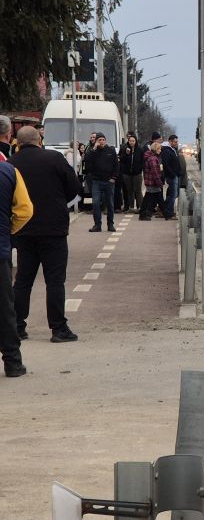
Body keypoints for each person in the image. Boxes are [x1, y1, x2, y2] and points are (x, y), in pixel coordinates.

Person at [10, 126, 81, 343]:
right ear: (39, 140)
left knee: (23, 279)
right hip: (54, 228)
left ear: (18, 143)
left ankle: (17, 326)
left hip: (23, 229)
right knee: (55, 280)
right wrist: (58, 201)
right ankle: (58, 329)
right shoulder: (55, 158)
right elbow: (74, 187)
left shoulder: (11, 164)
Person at [0, 148, 32, 375]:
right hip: (0, 251)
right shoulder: (8, 171)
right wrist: (8, 232)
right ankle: (12, 362)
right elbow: (25, 210)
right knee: (4, 308)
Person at [83, 132, 118, 232]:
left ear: (105, 140)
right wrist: (94, 149)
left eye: (103, 139)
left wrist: (114, 178)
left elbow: (116, 165)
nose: (102, 141)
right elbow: (87, 161)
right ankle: (97, 225)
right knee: (95, 203)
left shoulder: (111, 150)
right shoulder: (93, 151)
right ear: (96, 141)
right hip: (96, 181)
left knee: (110, 204)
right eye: (99, 140)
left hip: (109, 181)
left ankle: (110, 224)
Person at [139, 142, 166, 220]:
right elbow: (155, 172)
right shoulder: (153, 158)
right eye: (159, 149)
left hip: (150, 181)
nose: (160, 151)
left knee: (149, 198)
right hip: (153, 182)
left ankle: (144, 214)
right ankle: (167, 214)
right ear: (155, 149)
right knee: (158, 199)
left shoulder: (150, 157)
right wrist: (159, 183)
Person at [118, 133, 144, 213]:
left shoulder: (139, 149)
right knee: (130, 191)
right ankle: (131, 207)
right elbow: (121, 160)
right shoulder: (125, 148)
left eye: (133, 141)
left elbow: (142, 160)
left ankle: (141, 208)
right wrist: (126, 154)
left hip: (137, 174)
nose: (131, 142)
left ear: (136, 141)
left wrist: (140, 169)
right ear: (128, 141)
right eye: (130, 141)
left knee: (138, 191)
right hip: (127, 174)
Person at [161, 134, 180, 220]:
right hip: (171, 176)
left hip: (174, 175)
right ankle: (169, 213)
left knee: (171, 194)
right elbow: (166, 164)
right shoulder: (167, 150)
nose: (176, 143)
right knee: (173, 195)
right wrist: (173, 174)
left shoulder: (172, 149)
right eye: (175, 142)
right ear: (170, 141)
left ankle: (166, 210)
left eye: (177, 142)